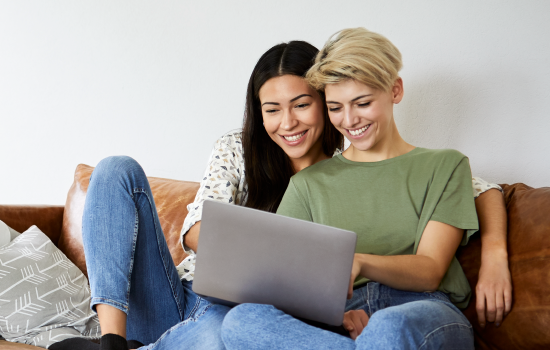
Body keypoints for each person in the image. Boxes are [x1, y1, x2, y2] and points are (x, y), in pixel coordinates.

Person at [58, 40, 508, 350]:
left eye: (303, 105)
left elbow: (480, 186)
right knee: (115, 170)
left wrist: (493, 254)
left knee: (229, 332)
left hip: (237, 314)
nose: (287, 123)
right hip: (186, 294)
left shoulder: (356, 155)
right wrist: (270, 257)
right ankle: (112, 340)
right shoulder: (238, 149)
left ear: (323, 100)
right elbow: (194, 230)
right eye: (272, 109)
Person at [220, 28, 510, 349]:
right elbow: (290, 285)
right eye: (334, 107)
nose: (349, 120)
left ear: (395, 90)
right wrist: (330, 319)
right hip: (341, 317)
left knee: (388, 325)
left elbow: (430, 269)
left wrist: (358, 261)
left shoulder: (445, 166)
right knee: (242, 320)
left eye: (362, 102)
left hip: (423, 310)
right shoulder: (306, 184)